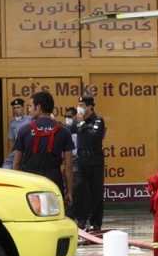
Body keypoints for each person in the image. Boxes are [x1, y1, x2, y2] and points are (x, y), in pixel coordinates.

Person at [11, 91, 74, 209]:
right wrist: (69, 191)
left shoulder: (24, 130)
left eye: (30, 106)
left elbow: (17, 162)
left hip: (30, 179)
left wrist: (15, 188)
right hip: (54, 180)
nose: (29, 109)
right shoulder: (63, 131)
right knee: (53, 213)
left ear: (38, 107)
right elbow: (68, 166)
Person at [75, 94, 106, 231]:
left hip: (94, 160)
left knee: (96, 191)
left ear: (90, 107)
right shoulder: (78, 119)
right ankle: (81, 219)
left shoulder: (98, 120)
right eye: (79, 105)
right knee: (78, 188)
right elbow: (70, 130)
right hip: (81, 159)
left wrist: (82, 124)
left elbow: (92, 136)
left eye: (82, 105)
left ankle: (95, 222)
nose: (79, 108)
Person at [2, 98, 31, 169]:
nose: (16, 110)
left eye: (18, 107)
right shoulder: (12, 123)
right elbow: (12, 142)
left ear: (23, 107)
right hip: (18, 151)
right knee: (6, 167)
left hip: (29, 150)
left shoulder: (30, 120)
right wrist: (9, 155)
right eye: (14, 108)